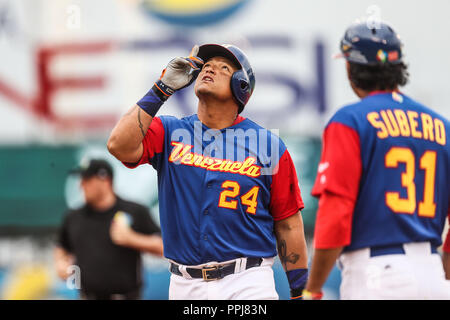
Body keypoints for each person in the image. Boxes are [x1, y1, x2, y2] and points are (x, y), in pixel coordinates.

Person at [107, 44, 309, 300]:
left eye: (223, 67)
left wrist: (300, 292)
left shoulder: (267, 145)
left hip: (247, 279)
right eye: (206, 65)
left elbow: (288, 224)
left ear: (241, 86)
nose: (210, 69)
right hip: (185, 284)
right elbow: (118, 146)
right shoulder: (170, 131)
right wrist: (161, 88)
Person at [304, 21, 450, 300]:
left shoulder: (350, 120)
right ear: (398, 66)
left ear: (350, 68)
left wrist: (314, 288)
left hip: (376, 273)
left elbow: (336, 212)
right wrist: (441, 274)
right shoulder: (443, 127)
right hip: (434, 275)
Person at [54, 158, 164, 300]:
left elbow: (163, 247)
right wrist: (60, 264)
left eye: (87, 180)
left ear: (105, 180)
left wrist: (132, 239)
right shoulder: (73, 217)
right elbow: (62, 246)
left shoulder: (134, 211)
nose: (81, 185)